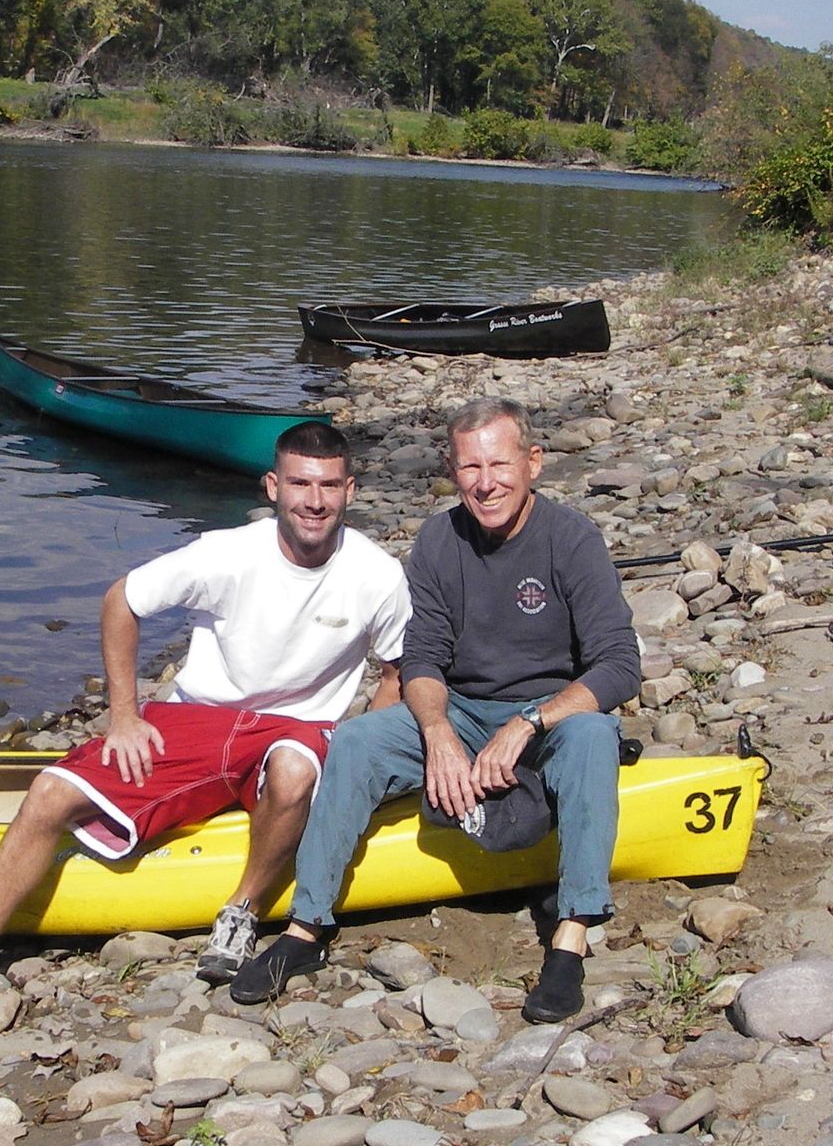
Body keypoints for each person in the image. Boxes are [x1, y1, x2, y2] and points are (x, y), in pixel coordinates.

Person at [0, 421, 410, 1022]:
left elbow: (399, 672)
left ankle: (241, 912)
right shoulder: (225, 553)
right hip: (197, 719)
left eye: (328, 486)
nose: (314, 501)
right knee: (48, 793)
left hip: (295, 730)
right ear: (273, 486)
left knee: (296, 770)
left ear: (350, 490)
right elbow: (123, 600)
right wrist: (122, 716)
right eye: (300, 484)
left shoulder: (377, 575)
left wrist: (356, 761)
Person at [232, 397, 641, 1024]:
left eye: (500, 465)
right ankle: (307, 926)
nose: (486, 483)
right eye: (470, 468)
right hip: (461, 707)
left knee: (591, 737)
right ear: (453, 471)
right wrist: (439, 733)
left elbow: (617, 665)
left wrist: (528, 723)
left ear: (533, 463)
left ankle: (570, 937)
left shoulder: (571, 539)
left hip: (550, 715)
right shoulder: (439, 539)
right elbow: (420, 660)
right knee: (361, 741)